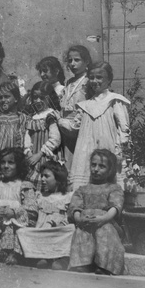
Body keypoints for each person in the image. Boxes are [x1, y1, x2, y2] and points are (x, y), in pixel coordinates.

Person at [68, 61, 130, 191]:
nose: (95, 81)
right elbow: (75, 125)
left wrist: (120, 152)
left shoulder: (115, 100)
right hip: (86, 149)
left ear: (109, 79)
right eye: (91, 77)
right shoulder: (85, 105)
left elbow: (124, 129)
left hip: (109, 146)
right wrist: (59, 120)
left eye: (99, 77)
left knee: (109, 182)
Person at [68, 149, 125, 275]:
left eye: (102, 166)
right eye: (93, 165)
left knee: (104, 232)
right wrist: (79, 219)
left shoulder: (113, 188)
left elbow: (115, 207)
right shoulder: (82, 189)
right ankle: (84, 263)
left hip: (106, 222)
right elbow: (75, 206)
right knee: (82, 231)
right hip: (85, 222)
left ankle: (105, 264)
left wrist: (103, 219)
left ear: (110, 170)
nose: (96, 169)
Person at [0, 148, 37, 265]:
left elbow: (31, 210)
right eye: (3, 162)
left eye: (11, 162)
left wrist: (14, 212)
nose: (6, 166)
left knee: (13, 226)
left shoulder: (24, 186)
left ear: (19, 165)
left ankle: (14, 253)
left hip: (16, 220)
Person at [16, 161, 74, 269]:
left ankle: (61, 258)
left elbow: (69, 215)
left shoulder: (67, 197)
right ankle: (42, 257)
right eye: (41, 176)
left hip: (59, 230)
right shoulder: (40, 196)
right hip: (42, 230)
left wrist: (62, 224)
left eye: (46, 176)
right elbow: (32, 212)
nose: (42, 179)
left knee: (70, 230)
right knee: (23, 231)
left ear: (58, 178)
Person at [50, 45, 92, 170]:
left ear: (86, 61)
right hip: (65, 131)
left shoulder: (88, 81)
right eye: (70, 60)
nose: (72, 64)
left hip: (80, 128)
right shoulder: (68, 83)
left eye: (77, 60)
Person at [0, 82, 30, 182]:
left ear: (16, 98)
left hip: (16, 159)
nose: (3, 100)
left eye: (7, 96)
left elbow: (21, 139)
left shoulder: (21, 117)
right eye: (0, 97)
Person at [23, 81, 62, 191]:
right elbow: (27, 136)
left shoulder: (50, 116)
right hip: (32, 155)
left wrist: (40, 154)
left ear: (50, 98)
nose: (38, 101)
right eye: (35, 97)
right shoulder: (31, 117)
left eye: (42, 97)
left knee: (45, 178)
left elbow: (55, 139)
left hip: (45, 155)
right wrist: (28, 151)